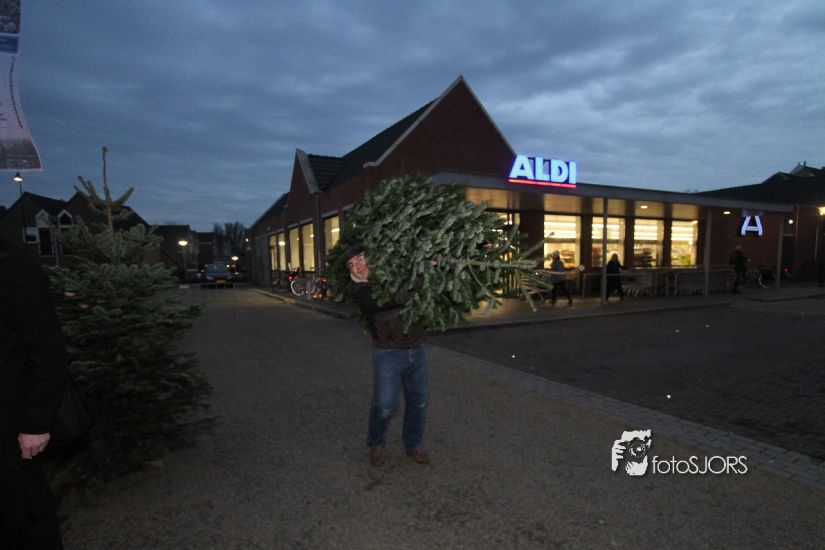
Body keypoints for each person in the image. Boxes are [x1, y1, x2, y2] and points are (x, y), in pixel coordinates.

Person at [0, 238, 68, 549]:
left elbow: (48, 352)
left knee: (26, 519)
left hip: (11, 429)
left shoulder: (13, 270)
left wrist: (36, 424)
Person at [341, 244, 429, 467]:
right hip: (388, 353)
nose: (358, 266)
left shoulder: (392, 271)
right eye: (352, 265)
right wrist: (418, 273)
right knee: (385, 405)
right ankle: (376, 442)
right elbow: (393, 300)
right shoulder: (361, 291)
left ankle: (413, 443)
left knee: (418, 401)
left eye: (360, 259)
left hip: (416, 348)